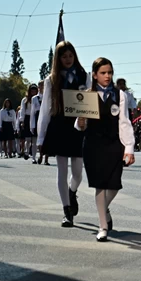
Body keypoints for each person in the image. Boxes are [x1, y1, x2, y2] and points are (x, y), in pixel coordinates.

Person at [76, 58, 135, 242]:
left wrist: (129, 148)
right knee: (100, 185)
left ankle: (104, 208)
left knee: (114, 185)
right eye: (103, 73)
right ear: (94, 75)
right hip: (93, 145)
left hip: (113, 144)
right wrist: (81, 120)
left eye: (109, 72)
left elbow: (124, 122)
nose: (107, 76)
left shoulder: (120, 95)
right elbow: (79, 126)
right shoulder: (86, 95)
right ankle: (103, 226)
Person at [37, 41, 90, 228]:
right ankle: (67, 211)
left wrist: (87, 123)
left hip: (79, 126)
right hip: (59, 125)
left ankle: (72, 191)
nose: (67, 59)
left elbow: (90, 104)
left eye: (70, 56)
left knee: (77, 173)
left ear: (74, 56)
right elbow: (44, 110)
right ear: (58, 59)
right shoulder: (51, 80)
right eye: (64, 56)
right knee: (62, 170)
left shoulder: (85, 76)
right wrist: (40, 137)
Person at [19, 84, 38, 160]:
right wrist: (22, 120)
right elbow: (22, 111)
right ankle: (26, 151)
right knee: (28, 139)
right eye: (32, 90)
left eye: (34, 90)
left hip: (35, 118)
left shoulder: (38, 99)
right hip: (27, 118)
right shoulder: (25, 100)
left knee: (34, 139)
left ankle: (34, 157)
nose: (33, 91)